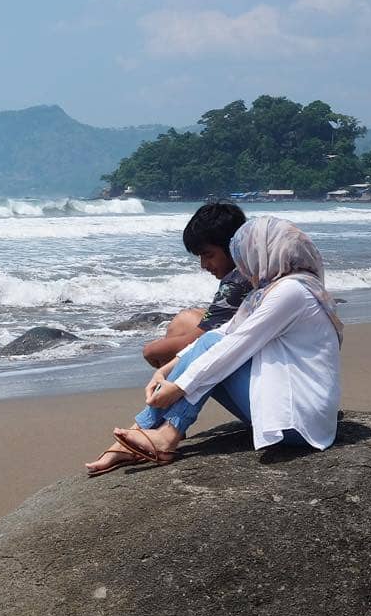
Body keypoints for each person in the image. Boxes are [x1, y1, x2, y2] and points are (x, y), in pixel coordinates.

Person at [86, 216, 343, 476]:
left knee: (212, 347)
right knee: (210, 344)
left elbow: (235, 345)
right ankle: (142, 431)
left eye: (246, 254)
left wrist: (178, 387)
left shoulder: (292, 292)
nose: (243, 264)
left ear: (265, 251)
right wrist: (164, 372)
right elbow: (226, 331)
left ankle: (164, 436)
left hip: (298, 423)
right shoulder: (273, 290)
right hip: (292, 410)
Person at [143, 202, 250, 368]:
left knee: (182, 322)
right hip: (260, 352)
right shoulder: (256, 269)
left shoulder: (236, 282)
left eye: (208, 255)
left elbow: (199, 339)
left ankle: (165, 391)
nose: (203, 265)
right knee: (194, 314)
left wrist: (150, 350)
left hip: (247, 365)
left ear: (232, 245)